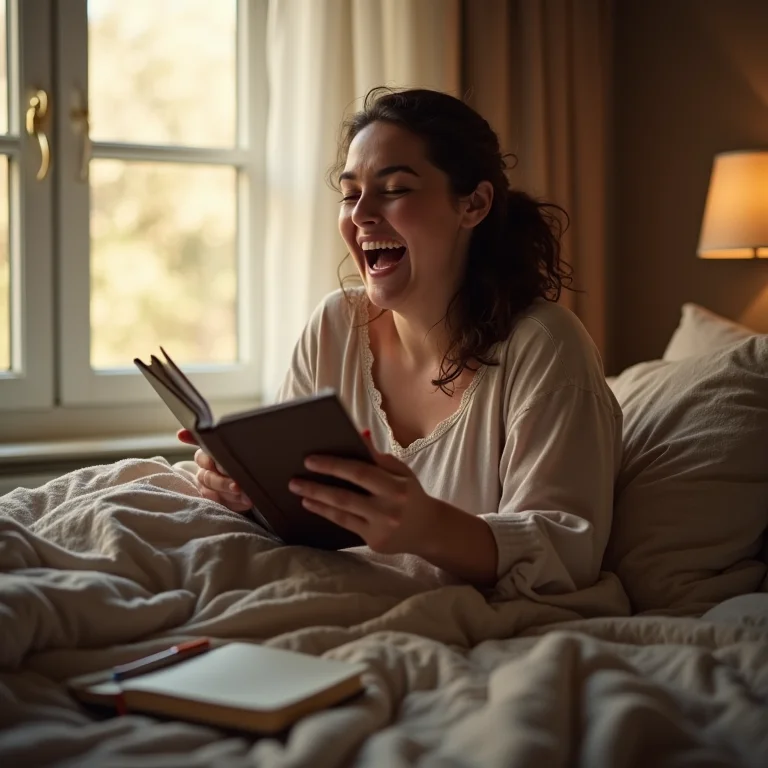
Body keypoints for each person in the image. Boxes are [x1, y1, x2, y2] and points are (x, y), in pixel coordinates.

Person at [178, 87, 622, 595]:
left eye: (394, 189)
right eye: (350, 193)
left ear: (473, 204)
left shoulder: (546, 346)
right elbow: (297, 509)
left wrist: (426, 527)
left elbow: (568, 552)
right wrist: (245, 490)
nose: (361, 214)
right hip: (331, 591)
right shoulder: (334, 325)